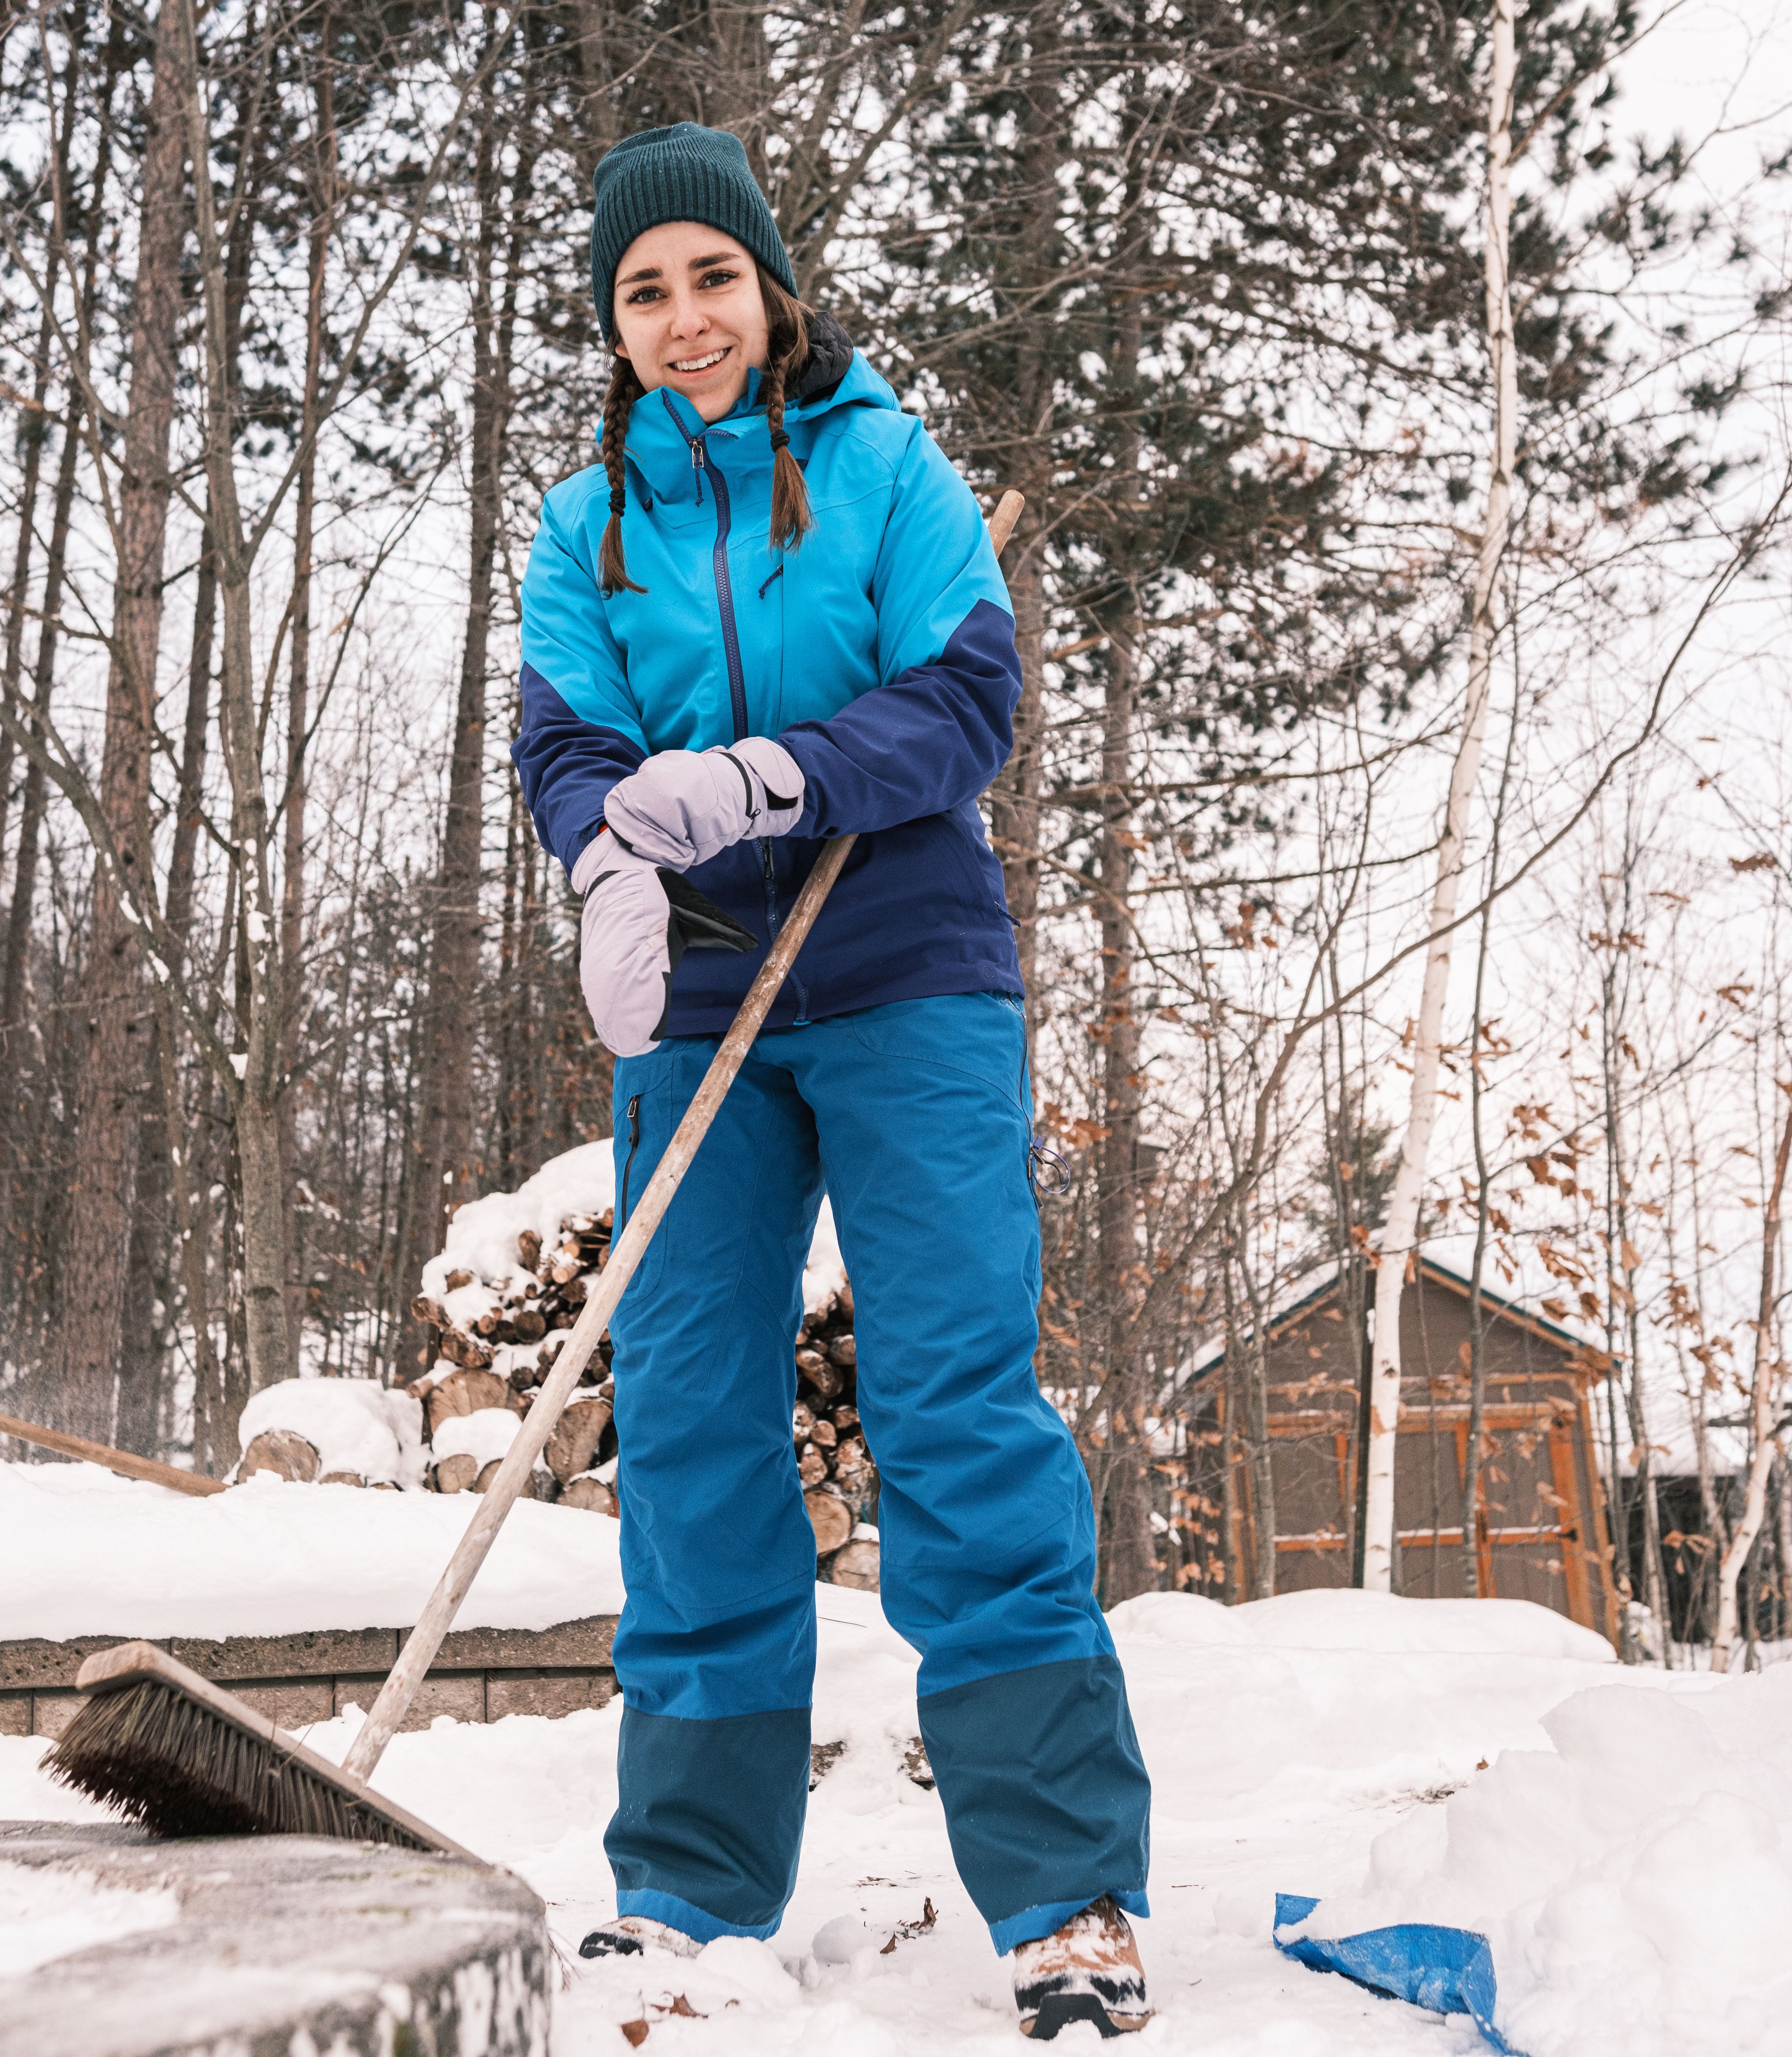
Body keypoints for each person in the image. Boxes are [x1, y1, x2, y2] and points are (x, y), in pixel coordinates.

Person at [512, 121, 1156, 2041]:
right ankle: (691, 1886)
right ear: (614, 325)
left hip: (904, 973)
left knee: (950, 1403)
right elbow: (561, 738)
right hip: (700, 1006)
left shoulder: (883, 464)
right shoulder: (586, 523)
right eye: (646, 292)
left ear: (771, 286)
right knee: (697, 1419)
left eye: (713, 276)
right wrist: (605, 861)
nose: (685, 317)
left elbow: (968, 698)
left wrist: (778, 778)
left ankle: (1065, 1892)